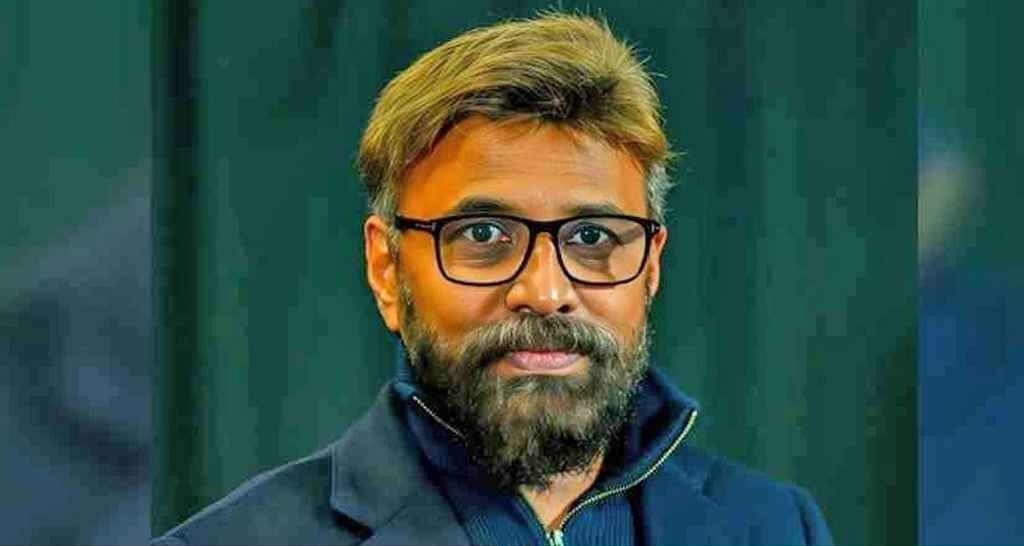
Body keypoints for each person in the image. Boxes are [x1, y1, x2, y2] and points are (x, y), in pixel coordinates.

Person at [153, 12, 832, 546]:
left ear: (650, 268)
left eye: (593, 237)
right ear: (386, 270)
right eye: (482, 236)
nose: (545, 292)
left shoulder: (777, 528)